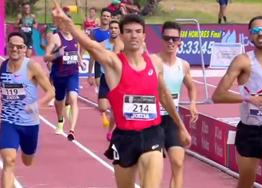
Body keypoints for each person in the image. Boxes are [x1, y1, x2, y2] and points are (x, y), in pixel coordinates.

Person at [52, 1, 191, 187]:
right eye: (129, 31)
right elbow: (91, 46)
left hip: (152, 133)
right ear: (122, 36)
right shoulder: (114, 64)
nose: (133, 35)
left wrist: (181, 126)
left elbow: (164, 97)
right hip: (124, 137)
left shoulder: (155, 63)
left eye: (138, 31)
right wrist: (69, 25)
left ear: (144, 35)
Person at [212, 16, 262, 188]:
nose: (261, 34)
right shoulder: (243, 61)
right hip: (249, 131)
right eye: (256, 31)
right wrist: (248, 98)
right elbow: (218, 95)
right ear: (250, 36)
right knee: (245, 182)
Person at [0, 32, 54, 188]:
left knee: (27, 160)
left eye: (19, 46)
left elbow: (51, 91)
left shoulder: (32, 67)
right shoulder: (2, 67)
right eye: (12, 46)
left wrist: (37, 104)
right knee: (9, 160)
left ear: (25, 49)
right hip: (8, 121)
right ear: (7, 47)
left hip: (30, 123)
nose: (15, 49)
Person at [157, 21, 198, 188]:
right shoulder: (154, 62)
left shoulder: (183, 65)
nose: (171, 42)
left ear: (180, 40)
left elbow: (192, 86)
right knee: (154, 168)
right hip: (153, 120)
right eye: (167, 38)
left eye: (175, 38)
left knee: (178, 163)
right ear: (162, 39)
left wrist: (193, 103)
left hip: (172, 119)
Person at [44, 12, 83, 141]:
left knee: (73, 98)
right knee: (59, 100)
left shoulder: (76, 37)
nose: (66, 26)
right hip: (59, 74)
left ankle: (72, 130)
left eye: (69, 23)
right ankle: (60, 121)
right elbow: (45, 57)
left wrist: (80, 61)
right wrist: (57, 55)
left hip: (73, 73)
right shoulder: (56, 37)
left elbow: (76, 52)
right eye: (64, 23)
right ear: (60, 24)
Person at [99, 20, 124, 141]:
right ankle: (106, 115)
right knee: (103, 107)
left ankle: (110, 131)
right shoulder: (103, 44)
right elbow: (95, 60)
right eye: (112, 28)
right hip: (105, 77)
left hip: (118, 79)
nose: (113, 30)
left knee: (114, 108)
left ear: (119, 30)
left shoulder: (123, 44)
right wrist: (92, 74)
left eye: (116, 28)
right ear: (109, 30)